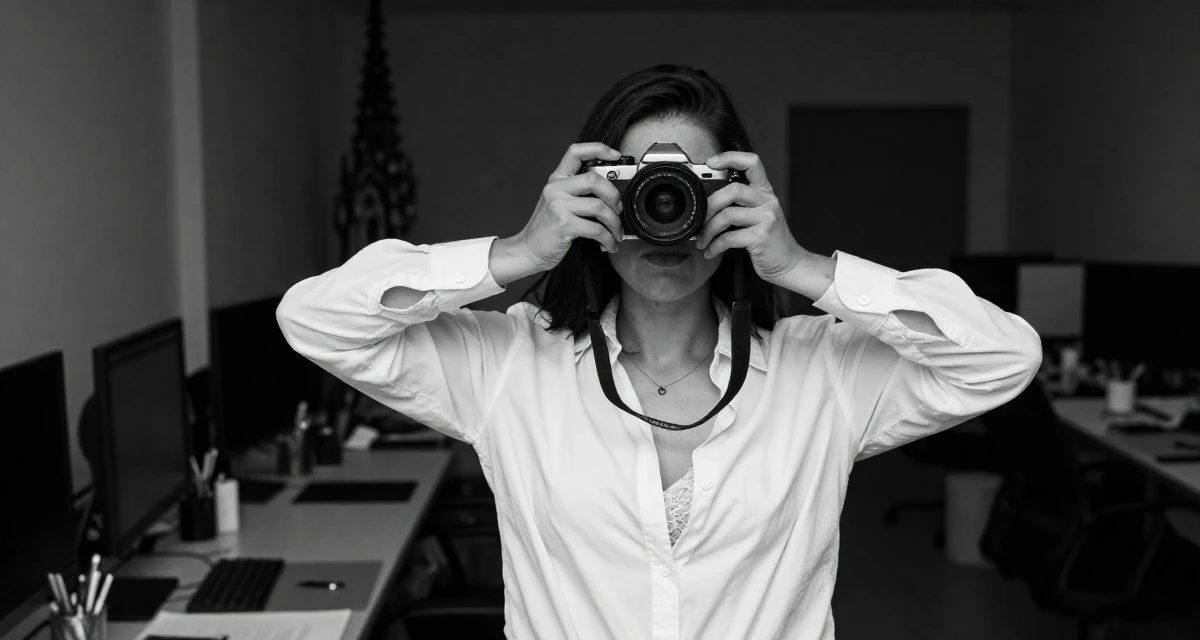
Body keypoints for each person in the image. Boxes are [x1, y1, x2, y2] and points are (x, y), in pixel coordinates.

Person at [277, 64, 1042, 640]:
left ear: (738, 198)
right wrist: (518, 251)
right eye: (636, 185)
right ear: (591, 195)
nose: (664, 211)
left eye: (690, 188)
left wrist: (802, 266)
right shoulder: (508, 364)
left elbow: (1004, 357)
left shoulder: (824, 373)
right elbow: (313, 320)